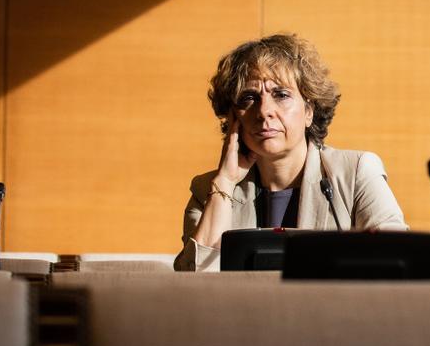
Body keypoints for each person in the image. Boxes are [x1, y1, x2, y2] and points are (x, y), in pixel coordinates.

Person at [174, 33, 407, 271]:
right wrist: (224, 183)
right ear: (233, 118)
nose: (264, 111)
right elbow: (194, 280)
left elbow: (397, 264)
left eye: (281, 95)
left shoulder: (356, 174)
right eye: (249, 98)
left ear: (309, 111)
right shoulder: (208, 191)